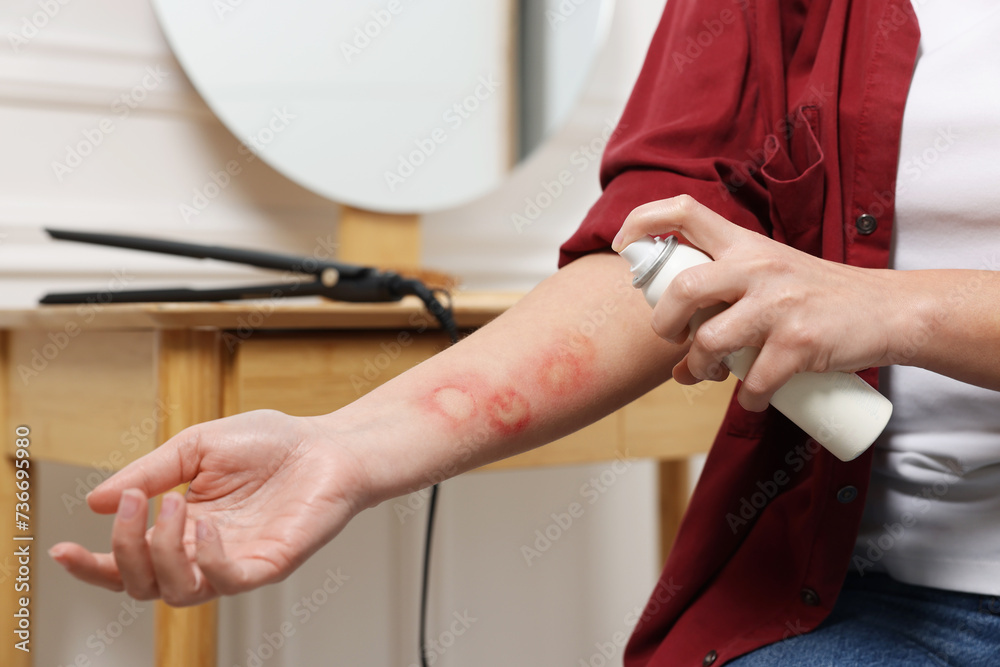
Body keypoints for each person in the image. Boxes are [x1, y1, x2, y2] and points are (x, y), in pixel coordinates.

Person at [52, 0, 1000, 664]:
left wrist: (904, 310)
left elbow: (856, 302)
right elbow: (657, 260)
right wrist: (344, 450)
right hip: (856, 595)